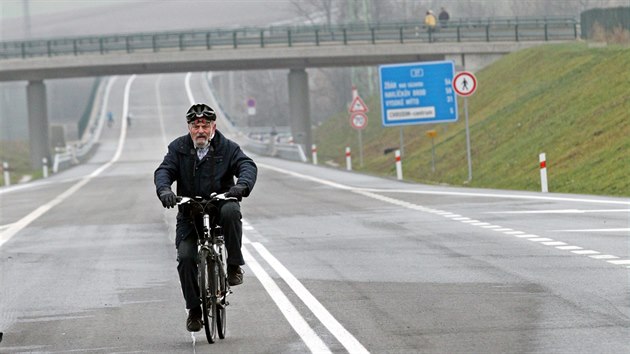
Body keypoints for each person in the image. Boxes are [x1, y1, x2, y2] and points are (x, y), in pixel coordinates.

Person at [154, 103, 257, 332]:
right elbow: (164, 171)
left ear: (213, 126)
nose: (200, 130)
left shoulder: (227, 148)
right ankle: (194, 311)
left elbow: (246, 165)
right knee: (186, 257)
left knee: (232, 211)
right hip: (190, 213)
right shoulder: (178, 148)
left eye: (205, 125)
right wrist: (165, 191)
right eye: (196, 125)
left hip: (219, 207)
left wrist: (241, 186)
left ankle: (233, 267)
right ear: (189, 128)